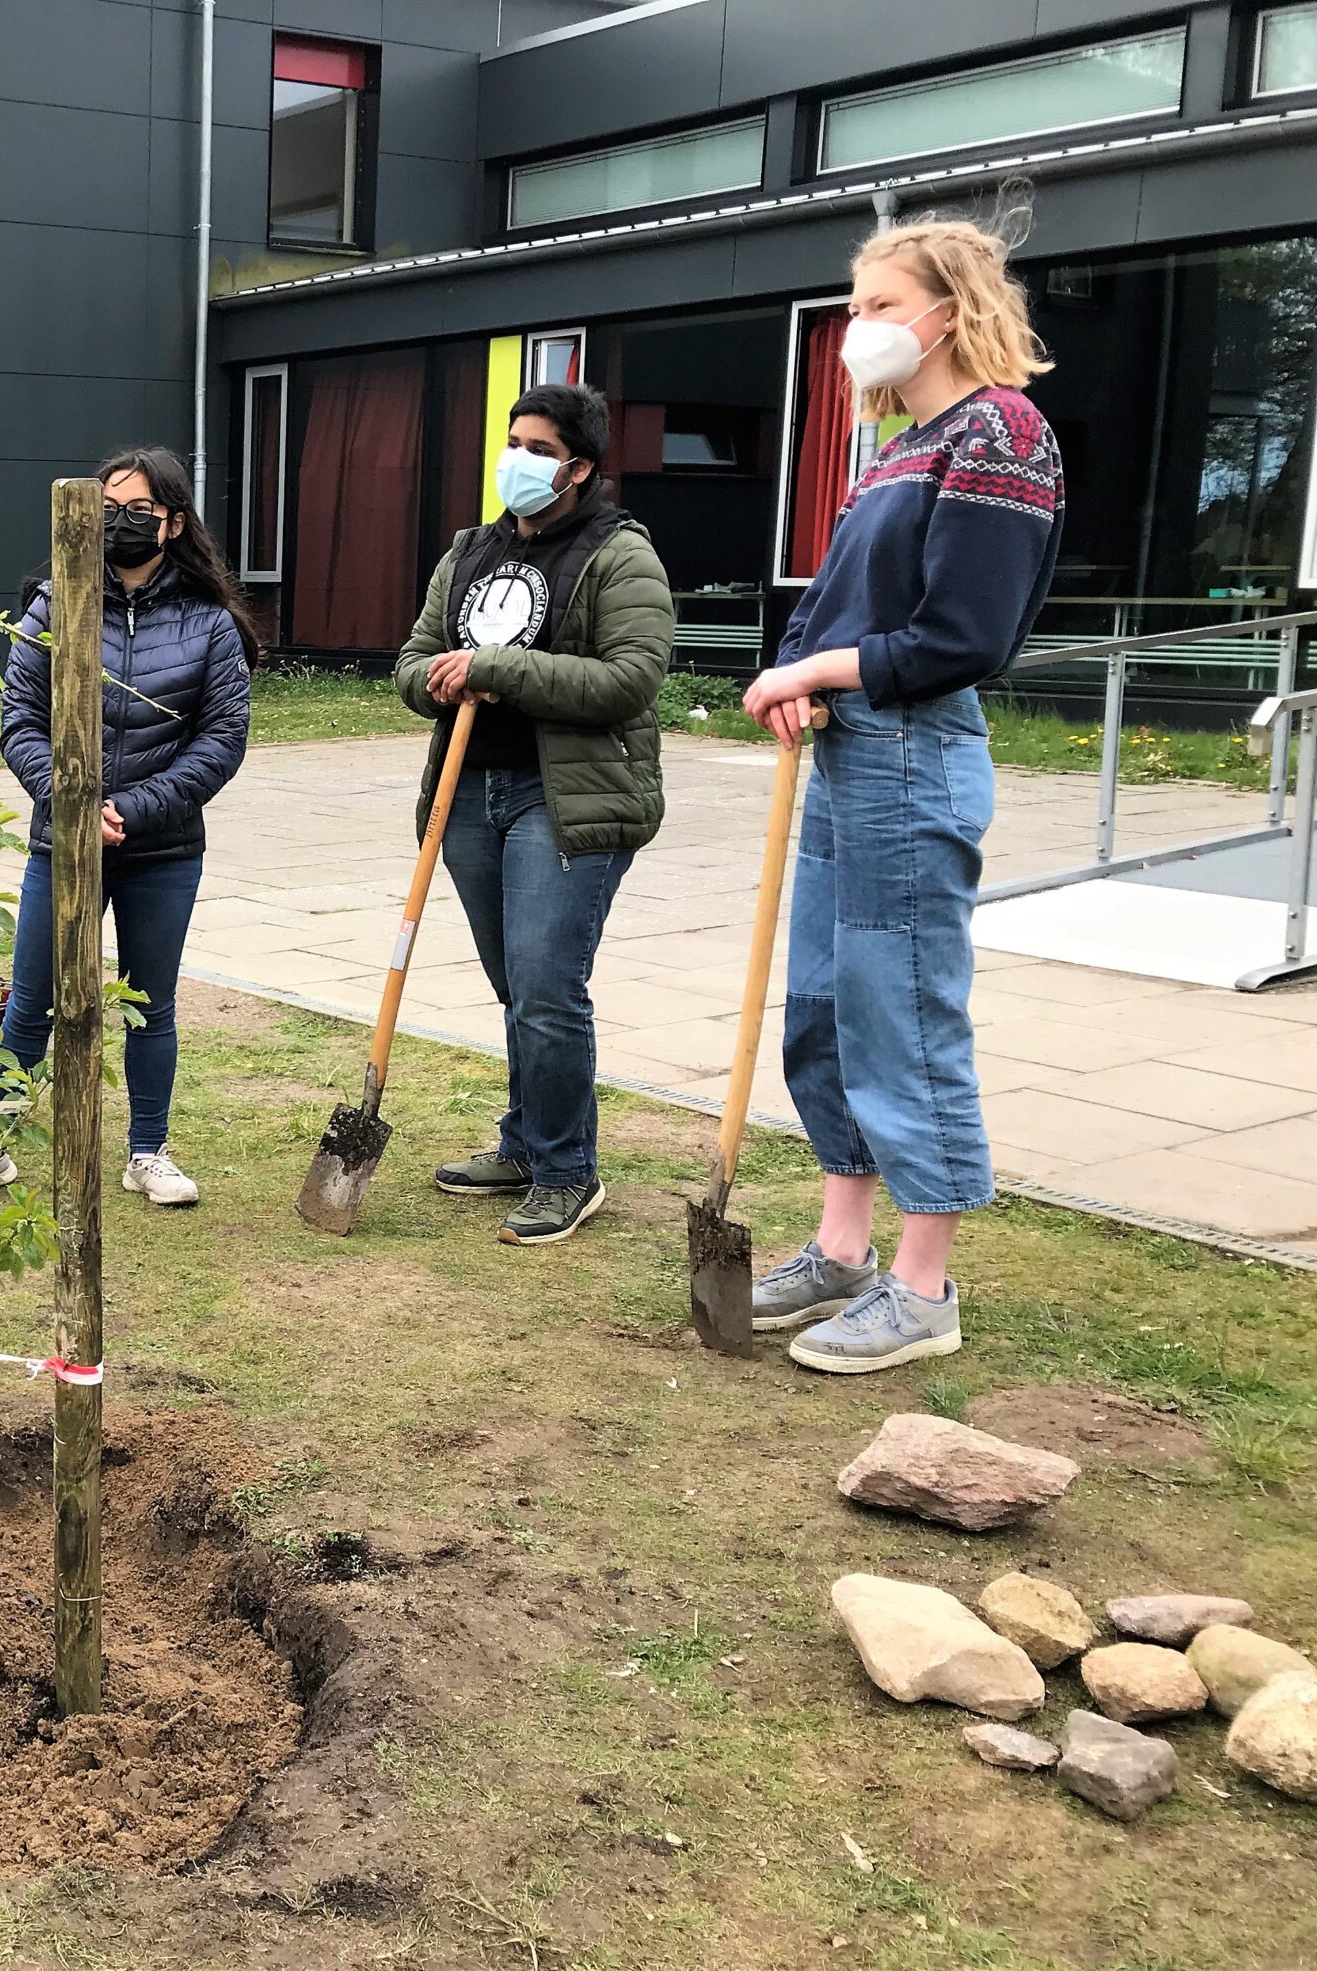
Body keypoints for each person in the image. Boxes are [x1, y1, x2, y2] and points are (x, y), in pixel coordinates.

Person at [742, 214, 1063, 1374]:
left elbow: (960, 636)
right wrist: (793, 673)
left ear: (950, 309)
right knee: (826, 1004)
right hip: (846, 749)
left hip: (914, 752)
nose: (857, 328)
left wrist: (814, 671)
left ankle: (922, 1289)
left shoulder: (1001, 433)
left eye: (880, 305)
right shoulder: (897, 447)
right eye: (854, 308)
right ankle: (841, 1247)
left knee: (902, 1012)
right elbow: (839, 599)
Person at [394, 383, 673, 1246]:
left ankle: (566, 1170)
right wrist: (435, 677)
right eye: (512, 442)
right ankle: (523, 1143)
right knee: (516, 986)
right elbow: (411, 659)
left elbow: (630, 679)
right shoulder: (469, 551)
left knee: (549, 986)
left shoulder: (619, 554)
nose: (516, 459)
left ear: (579, 468)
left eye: (538, 450)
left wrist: (495, 668)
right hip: (469, 793)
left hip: (567, 800)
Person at [0, 445, 255, 1206]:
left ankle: (148, 1150)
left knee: (150, 1004)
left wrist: (132, 810)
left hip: (162, 848)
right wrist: (71, 801)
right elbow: (19, 719)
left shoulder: (210, 622)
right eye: (107, 510)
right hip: (62, 842)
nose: (120, 523)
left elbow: (220, 741)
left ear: (173, 522)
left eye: (139, 510)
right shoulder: (54, 605)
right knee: (32, 1000)